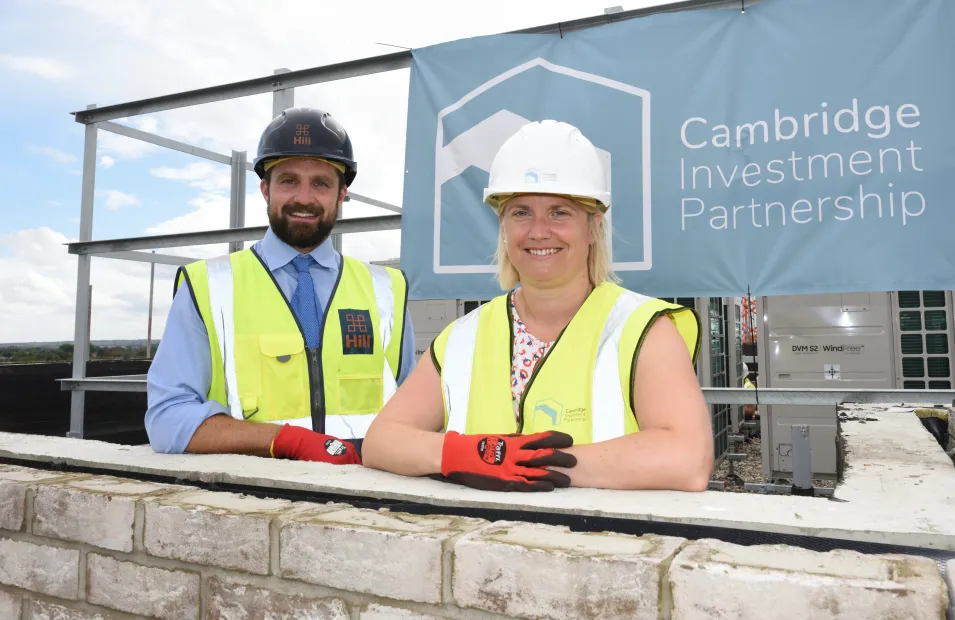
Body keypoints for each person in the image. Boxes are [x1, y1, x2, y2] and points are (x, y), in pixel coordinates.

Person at [362, 120, 714, 492]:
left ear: (593, 226)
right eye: (521, 212)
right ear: (503, 226)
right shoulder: (464, 337)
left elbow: (688, 459)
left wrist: (531, 463)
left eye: (560, 212)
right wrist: (468, 454)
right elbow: (382, 440)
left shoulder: (644, 330)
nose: (539, 231)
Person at [145, 107, 415, 465]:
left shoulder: (387, 289)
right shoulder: (206, 286)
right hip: (254, 503)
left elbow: (415, 414)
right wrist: (284, 441)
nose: (304, 198)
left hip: (365, 504)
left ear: (341, 194)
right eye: (289, 180)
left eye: (321, 183)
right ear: (265, 189)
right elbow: (167, 421)